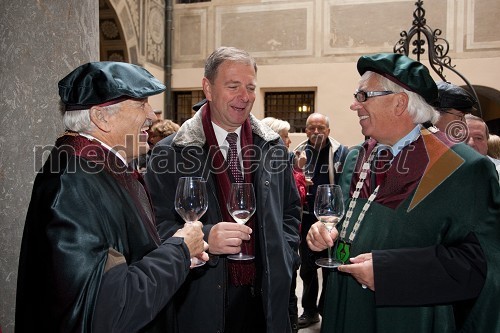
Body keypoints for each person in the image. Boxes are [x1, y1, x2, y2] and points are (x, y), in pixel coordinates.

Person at [307, 53, 500, 332]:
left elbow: (481, 266)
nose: (354, 105)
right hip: (344, 310)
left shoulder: (460, 167)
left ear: (400, 102)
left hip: (406, 319)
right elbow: (355, 227)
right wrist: (323, 233)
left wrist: (391, 272)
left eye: (364, 96)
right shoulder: (357, 158)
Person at [15, 61, 208, 333]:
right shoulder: (73, 182)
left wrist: (180, 255)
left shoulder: (100, 168)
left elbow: (130, 256)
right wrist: (178, 251)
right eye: (141, 103)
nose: (152, 115)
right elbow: (111, 308)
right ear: (100, 117)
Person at [145, 47, 301, 333]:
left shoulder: (273, 148)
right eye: (233, 86)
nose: (245, 96)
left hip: (266, 299)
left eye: (251, 87)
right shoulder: (170, 153)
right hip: (200, 298)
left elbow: (291, 211)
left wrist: (286, 256)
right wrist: (204, 237)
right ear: (208, 88)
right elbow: (155, 226)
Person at [293, 112, 349, 329]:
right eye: (311, 128)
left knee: (329, 268)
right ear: (306, 130)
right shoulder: (297, 152)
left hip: (330, 221)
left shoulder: (341, 152)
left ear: (328, 131)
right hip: (306, 218)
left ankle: (327, 309)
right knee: (307, 269)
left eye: (321, 128)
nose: (316, 132)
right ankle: (309, 311)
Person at [261, 116, 305, 333]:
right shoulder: (268, 162)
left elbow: (292, 204)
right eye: (285, 136)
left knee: (288, 296)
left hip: (287, 242)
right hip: (277, 245)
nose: (288, 141)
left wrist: (288, 247)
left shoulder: (286, 160)